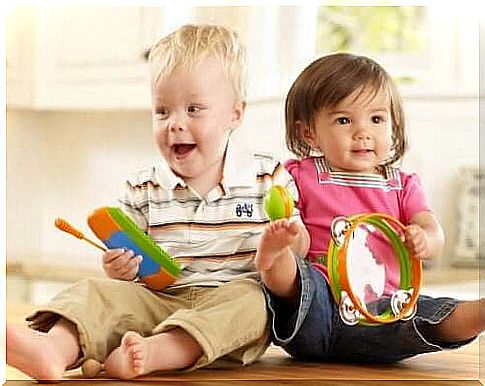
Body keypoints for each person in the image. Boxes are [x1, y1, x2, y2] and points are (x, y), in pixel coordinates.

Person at [6, 24, 304, 381]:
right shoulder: (140, 187)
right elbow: (129, 278)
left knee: (256, 304)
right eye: (163, 111)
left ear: (234, 114)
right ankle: (52, 349)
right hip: (158, 304)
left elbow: (299, 248)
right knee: (94, 292)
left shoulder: (267, 177)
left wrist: (286, 240)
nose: (175, 124)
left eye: (194, 109)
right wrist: (120, 269)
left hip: (226, 310)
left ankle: (157, 353)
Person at [255, 52, 484, 363]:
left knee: (423, 314)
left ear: (393, 125)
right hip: (317, 307)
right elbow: (293, 231)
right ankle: (271, 258)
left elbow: (433, 231)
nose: (362, 132)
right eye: (343, 120)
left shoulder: (402, 184)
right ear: (309, 132)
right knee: (299, 276)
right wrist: (287, 239)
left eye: (376, 119)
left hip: (383, 311)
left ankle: (475, 313)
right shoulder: (299, 174)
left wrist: (425, 238)